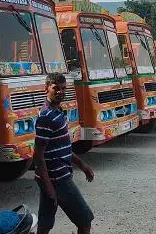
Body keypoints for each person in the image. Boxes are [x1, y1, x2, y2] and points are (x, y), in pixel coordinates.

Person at [34, 73, 95, 234]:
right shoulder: (46, 117)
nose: (60, 92)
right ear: (46, 89)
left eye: (63, 89)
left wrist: (82, 164)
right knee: (85, 221)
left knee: (45, 223)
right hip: (58, 179)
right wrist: (49, 186)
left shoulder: (58, 112)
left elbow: (62, 147)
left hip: (52, 178)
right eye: (56, 88)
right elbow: (38, 155)